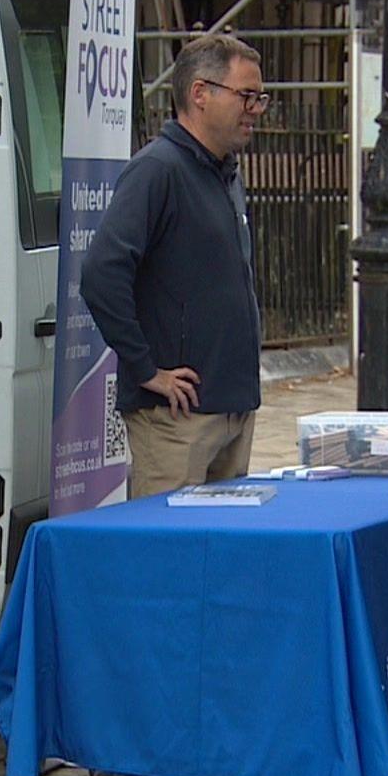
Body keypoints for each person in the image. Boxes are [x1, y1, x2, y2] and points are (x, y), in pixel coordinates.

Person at [82, 33, 268, 503]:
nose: (255, 108)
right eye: (246, 95)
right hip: (176, 422)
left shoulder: (225, 173)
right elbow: (102, 273)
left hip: (231, 409)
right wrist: (147, 370)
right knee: (170, 560)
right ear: (200, 93)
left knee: (220, 561)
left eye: (260, 97)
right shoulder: (157, 171)